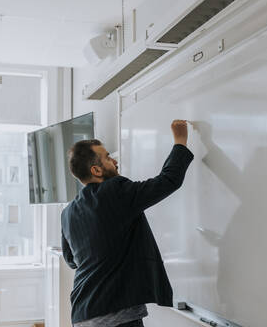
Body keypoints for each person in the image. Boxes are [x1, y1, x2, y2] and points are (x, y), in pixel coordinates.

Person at [61, 120, 194, 327]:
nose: (114, 161)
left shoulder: (68, 212)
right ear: (96, 170)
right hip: (115, 316)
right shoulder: (115, 191)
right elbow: (168, 180)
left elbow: (72, 260)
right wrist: (180, 141)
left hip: (82, 313)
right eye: (107, 158)